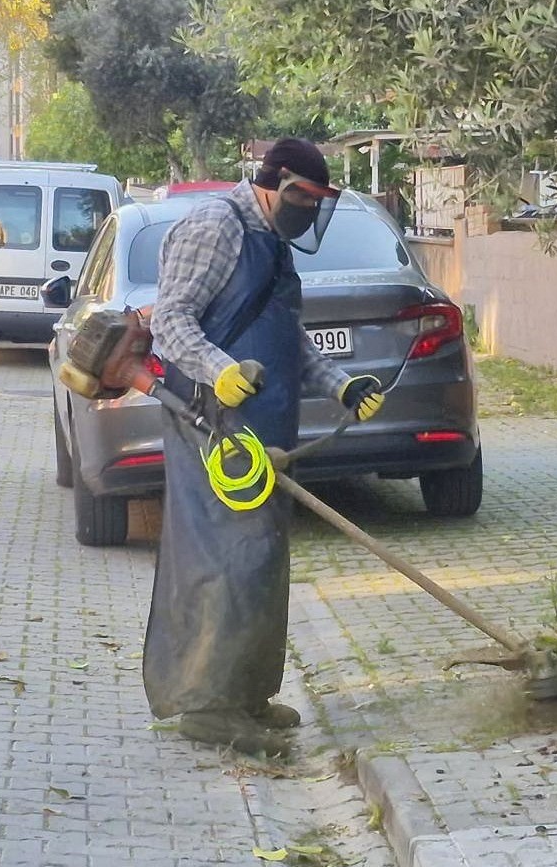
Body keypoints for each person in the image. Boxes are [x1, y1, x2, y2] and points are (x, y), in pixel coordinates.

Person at [144, 138, 386, 757]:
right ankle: (209, 706)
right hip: (211, 424)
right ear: (273, 183)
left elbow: (288, 338)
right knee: (227, 560)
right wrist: (219, 369)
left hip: (264, 429)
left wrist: (342, 385)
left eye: (319, 201)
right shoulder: (214, 228)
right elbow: (170, 320)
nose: (309, 209)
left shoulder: (274, 245)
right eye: (303, 196)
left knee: (262, 559)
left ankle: (248, 694)